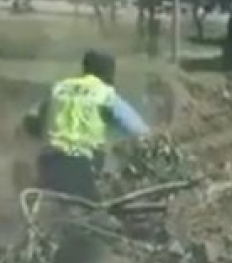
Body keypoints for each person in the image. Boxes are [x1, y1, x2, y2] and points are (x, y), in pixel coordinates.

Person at [20, 50, 151, 201]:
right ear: (108, 73)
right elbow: (139, 131)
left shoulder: (59, 88)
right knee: (95, 214)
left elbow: (30, 120)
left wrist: (49, 134)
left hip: (48, 162)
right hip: (82, 165)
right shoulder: (104, 94)